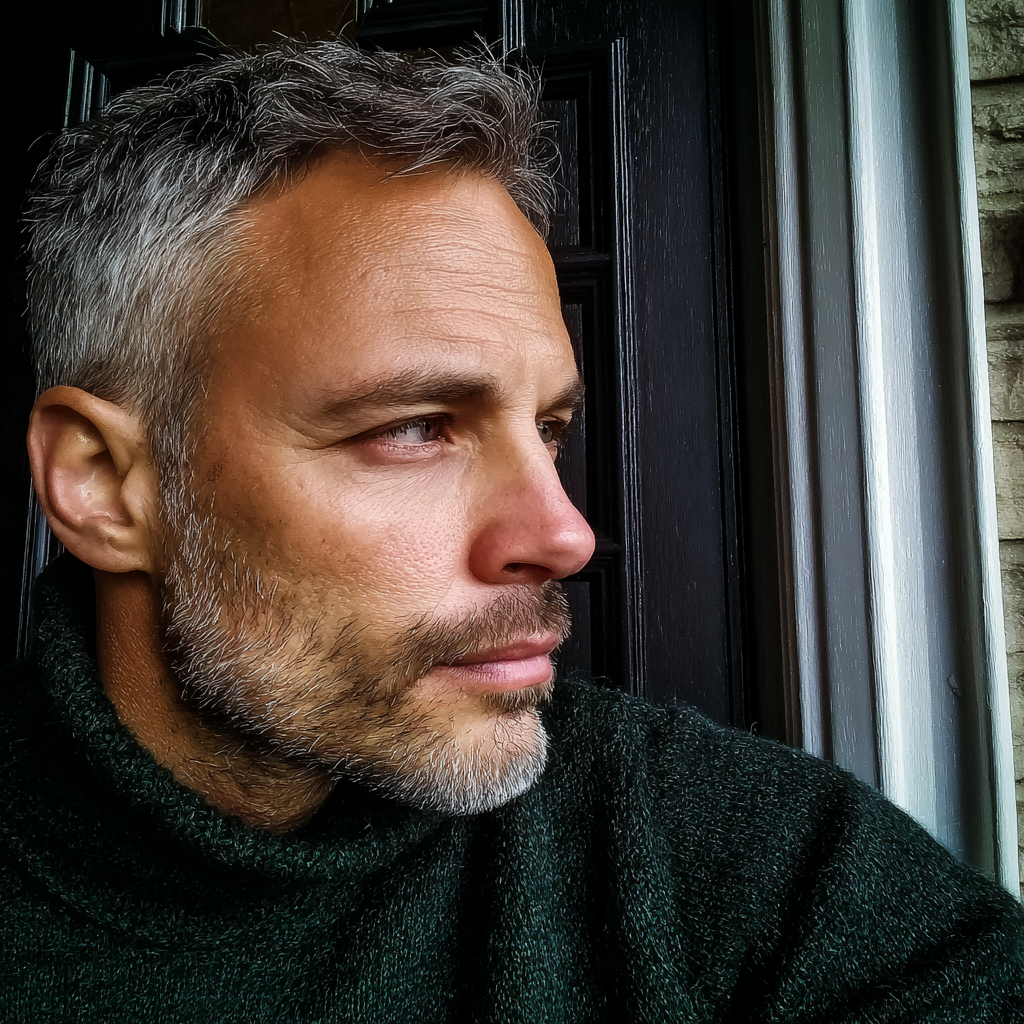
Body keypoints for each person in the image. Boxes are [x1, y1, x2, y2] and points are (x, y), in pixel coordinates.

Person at [2, 39, 1021, 1023]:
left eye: (547, 427)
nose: (565, 537)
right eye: (415, 428)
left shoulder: (716, 853)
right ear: (104, 486)